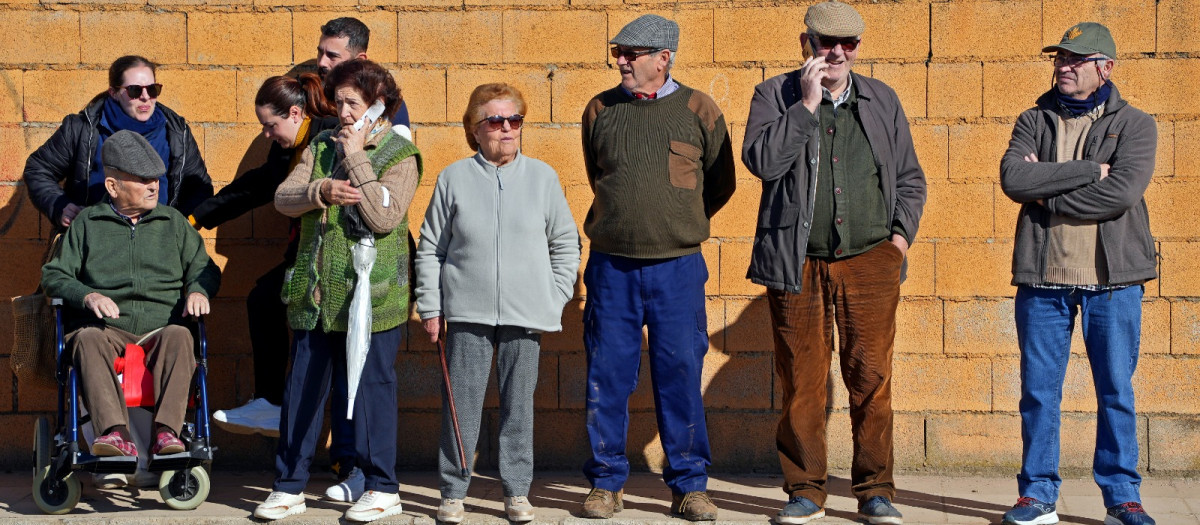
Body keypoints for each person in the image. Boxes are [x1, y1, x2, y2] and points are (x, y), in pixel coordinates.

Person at [741, 2, 927, 523]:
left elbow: (910, 177)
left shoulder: (882, 99)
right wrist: (805, 105)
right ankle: (805, 489)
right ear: (807, 43)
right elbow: (762, 162)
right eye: (826, 43)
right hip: (796, 262)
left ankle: (875, 491)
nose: (838, 53)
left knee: (871, 377)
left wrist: (899, 241)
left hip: (871, 261)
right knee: (802, 379)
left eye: (848, 44)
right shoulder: (774, 95)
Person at [578, 14, 736, 522]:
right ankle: (606, 484)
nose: (620, 60)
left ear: (663, 57)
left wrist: (677, 222)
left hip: (677, 269)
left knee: (680, 375)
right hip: (611, 270)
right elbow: (597, 174)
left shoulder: (700, 110)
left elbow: (720, 184)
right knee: (607, 376)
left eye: (632, 53)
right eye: (617, 52)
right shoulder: (600, 109)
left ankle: (690, 485)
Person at [998, 22, 1158, 525]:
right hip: (1042, 280)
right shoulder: (1033, 119)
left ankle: (1122, 498)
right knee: (1039, 392)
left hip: (1112, 284)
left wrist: (1045, 187)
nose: (1063, 67)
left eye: (1075, 59)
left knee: (1116, 392)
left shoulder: (1135, 124)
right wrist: (1089, 171)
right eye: (1059, 59)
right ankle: (1038, 494)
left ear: (1104, 68)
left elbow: (1122, 195)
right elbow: (1013, 178)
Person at [254, 59, 421, 523]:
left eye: (353, 103)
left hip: (374, 298)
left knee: (371, 388)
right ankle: (289, 486)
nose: (343, 112)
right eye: (339, 101)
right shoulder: (320, 146)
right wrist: (321, 190)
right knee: (303, 385)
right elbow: (283, 199)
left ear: (377, 105)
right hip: (317, 295)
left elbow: (385, 216)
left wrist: (357, 157)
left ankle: (382, 486)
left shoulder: (400, 153)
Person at [415, 83, 580, 524]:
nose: (507, 129)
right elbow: (431, 248)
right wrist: (431, 306)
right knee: (460, 406)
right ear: (475, 128)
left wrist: (556, 293)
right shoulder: (453, 177)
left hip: (526, 315)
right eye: (496, 121)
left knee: (518, 407)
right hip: (466, 312)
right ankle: (452, 492)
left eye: (515, 120)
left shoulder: (543, 177)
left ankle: (517, 493)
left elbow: (565, 243)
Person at [194, 77, 351, 502]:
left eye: (269, 125)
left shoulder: (328, 138)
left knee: (342, 357)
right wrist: (198, 216)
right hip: (307, 257)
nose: (266, 134)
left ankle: (348, 459)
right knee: (264, 300)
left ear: (296, 114)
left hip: (343, 262)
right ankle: (272, 402)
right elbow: (259, 185)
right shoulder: (290, 147)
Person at [40, 130, 221, 460]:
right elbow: (54, 274)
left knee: (182, 336)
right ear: (113, 186)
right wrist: (87, 295)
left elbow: (205, 268)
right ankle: (115, 434)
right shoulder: (88, 224)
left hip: (161, 326)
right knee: (86, 339)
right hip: (108, 328)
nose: (154, 186)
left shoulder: (174, 222)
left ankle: (167, 433)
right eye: (142, 180)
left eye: (155, 178)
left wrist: (198, 290)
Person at [24, 55, 213, 230]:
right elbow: (38, 169)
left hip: (156, 248)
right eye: (134, 90)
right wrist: (60, 206)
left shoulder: (176, 131)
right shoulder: (82, 128)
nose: (145, 97)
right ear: (113, 92)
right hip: (94, 244)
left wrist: (179, 226)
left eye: (153, 89)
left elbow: (200, 186)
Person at [316, 17, 411, 133]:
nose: (322, 62)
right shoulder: (308, 93)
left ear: (360, 60)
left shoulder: (388, 105)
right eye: (320, 53)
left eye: (332, 56)